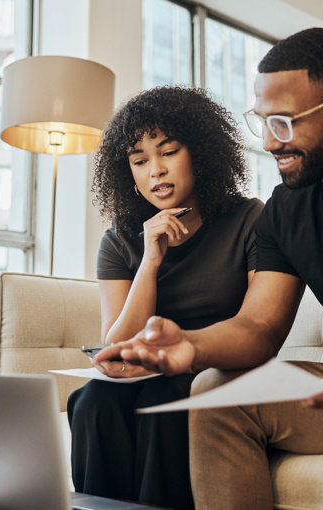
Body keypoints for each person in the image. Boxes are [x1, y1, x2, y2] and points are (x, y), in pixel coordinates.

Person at [96, 28, 323, 510]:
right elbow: (260, 326)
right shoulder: (287, 209)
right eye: (262, 121)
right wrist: (192, 344)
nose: (269, 142)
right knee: (215, 391)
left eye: (285, 123)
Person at [67, 86, 263, 510]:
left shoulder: (249, 220)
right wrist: (149, 262)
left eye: (168, 152)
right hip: (143, 373)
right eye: (140, 161)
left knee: (165, 398)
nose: (155, 170)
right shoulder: (120, 240)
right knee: (92, 400)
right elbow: (116, 344)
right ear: (130, 176)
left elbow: (256, 328)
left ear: (202, 153)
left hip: (215, 368)